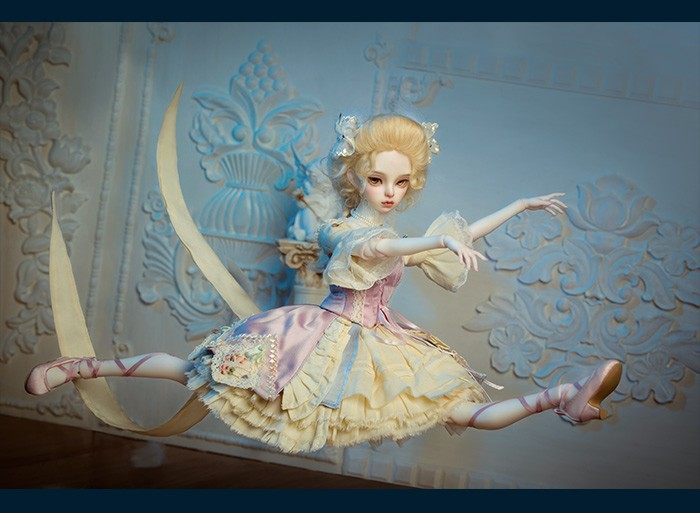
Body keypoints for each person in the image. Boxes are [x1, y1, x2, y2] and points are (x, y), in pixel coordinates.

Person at [25, 100, 622, 453]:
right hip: (311, 338)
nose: (390, 192)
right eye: (378, 180)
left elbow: (455, 234)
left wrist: (517, 207)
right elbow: (384, 246)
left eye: (402, 182)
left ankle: (563, 397)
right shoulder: (341, 229)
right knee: (196, 370)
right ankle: (79, 367)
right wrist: (436, 241)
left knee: (463, 413)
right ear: (356, 177)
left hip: (383, 346)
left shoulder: (396, 229)